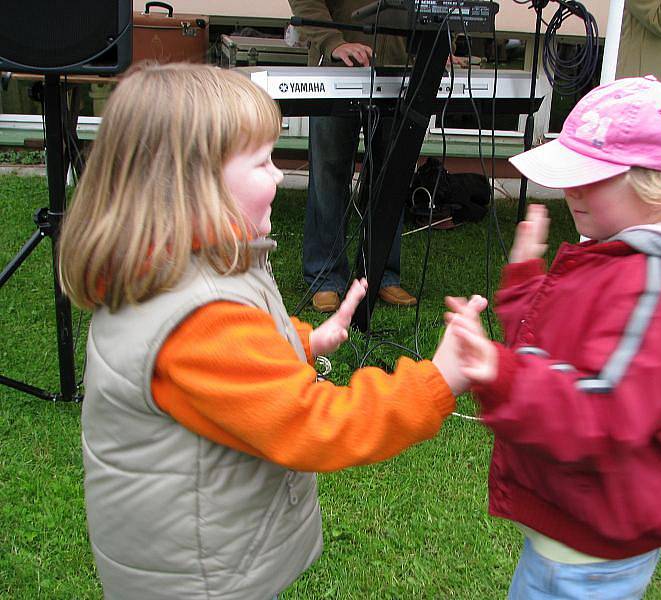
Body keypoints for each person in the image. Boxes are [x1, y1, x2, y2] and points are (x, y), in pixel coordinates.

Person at [56, 63, 479, 599]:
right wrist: (436, 380)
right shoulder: (199, 316)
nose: (279, 175)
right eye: (261, 162)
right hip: (203, 581)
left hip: (189, 556)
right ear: (193, 185)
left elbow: (233, 363)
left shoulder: (170, 271)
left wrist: (303, 342)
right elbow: (312, 424)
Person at [446, 76, 661, 599]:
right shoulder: (616, 255)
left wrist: (499, 374)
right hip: (577, 523)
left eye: (592, 177)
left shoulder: (654, 291)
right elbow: (553, 349)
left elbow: (601, 412)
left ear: (659, 186)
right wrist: (527, 279)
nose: (570, 189)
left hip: (590, 551)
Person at [288, 0, 418, 312]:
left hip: (399, 72)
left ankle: (383, 274)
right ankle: (325, 276)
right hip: (335, 69)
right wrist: (334, 42)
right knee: (329, 174)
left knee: (391, 175)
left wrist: (438, 45)